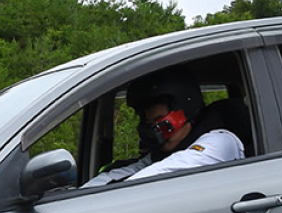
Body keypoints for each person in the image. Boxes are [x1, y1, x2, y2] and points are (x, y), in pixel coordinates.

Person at [83, 68, 245, 188]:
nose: (155, 129)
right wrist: (82, 194)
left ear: (185, 109)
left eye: (160, 120)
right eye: (150, 122)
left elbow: (164, 171)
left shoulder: (220, 142)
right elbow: (127, 172)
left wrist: (106, 197)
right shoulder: (163, 152)